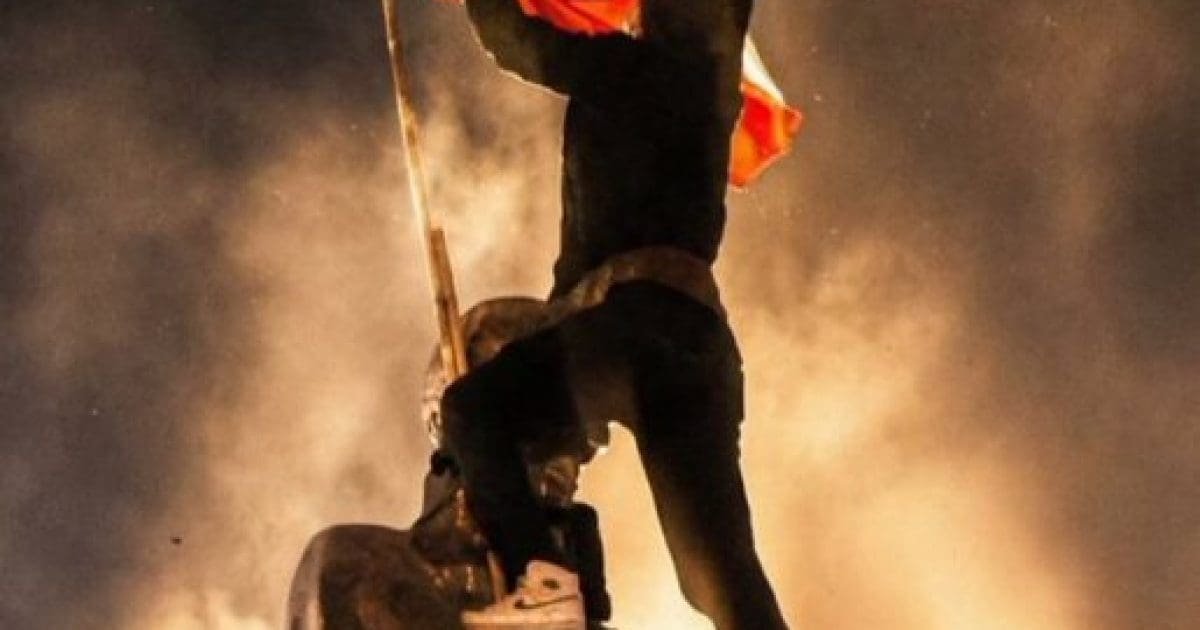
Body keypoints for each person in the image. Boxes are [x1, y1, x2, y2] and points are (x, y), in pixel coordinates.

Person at [441, 0, 788, 627]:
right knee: (717, 572)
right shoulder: (709, 92)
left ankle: (546, 587)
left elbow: (515, 42)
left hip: (630, 327)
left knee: (475, 411)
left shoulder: (640, 70)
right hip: (697, 344)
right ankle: (567, 590)